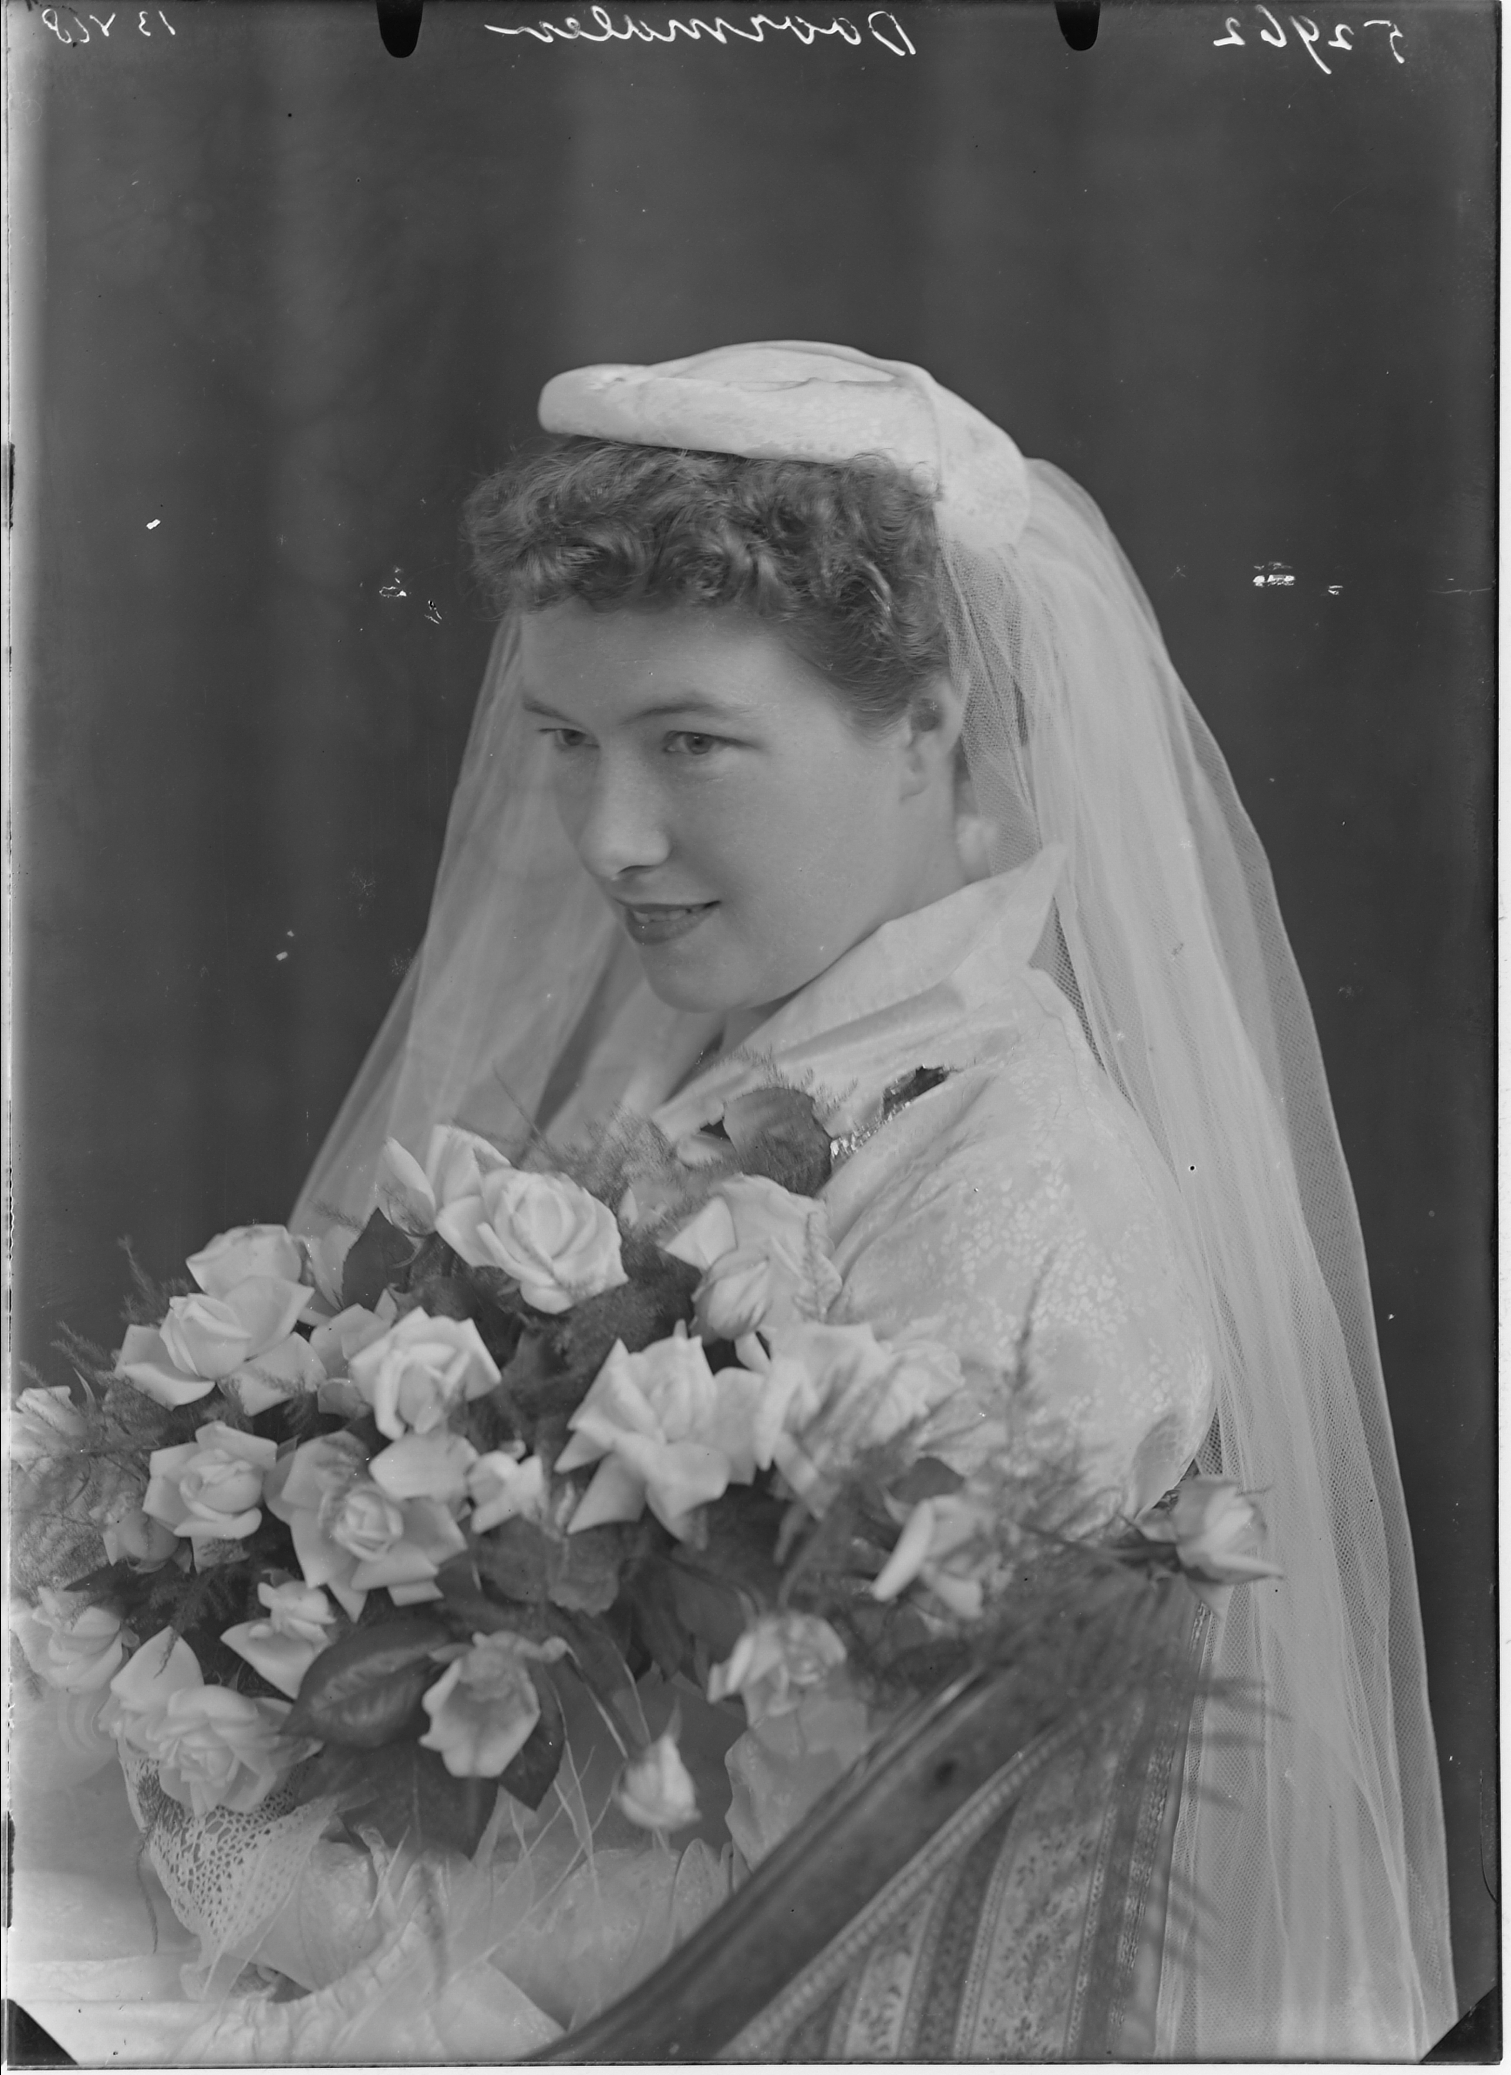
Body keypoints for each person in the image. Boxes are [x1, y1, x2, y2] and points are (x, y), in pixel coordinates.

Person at [291, 341, 1453, 2058]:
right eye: (567, 740)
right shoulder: (761, 1060)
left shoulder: (1016, 1199)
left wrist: (291, 1876)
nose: (608, 836)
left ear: (927, 729)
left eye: (693, 743)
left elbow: (810, 1910)